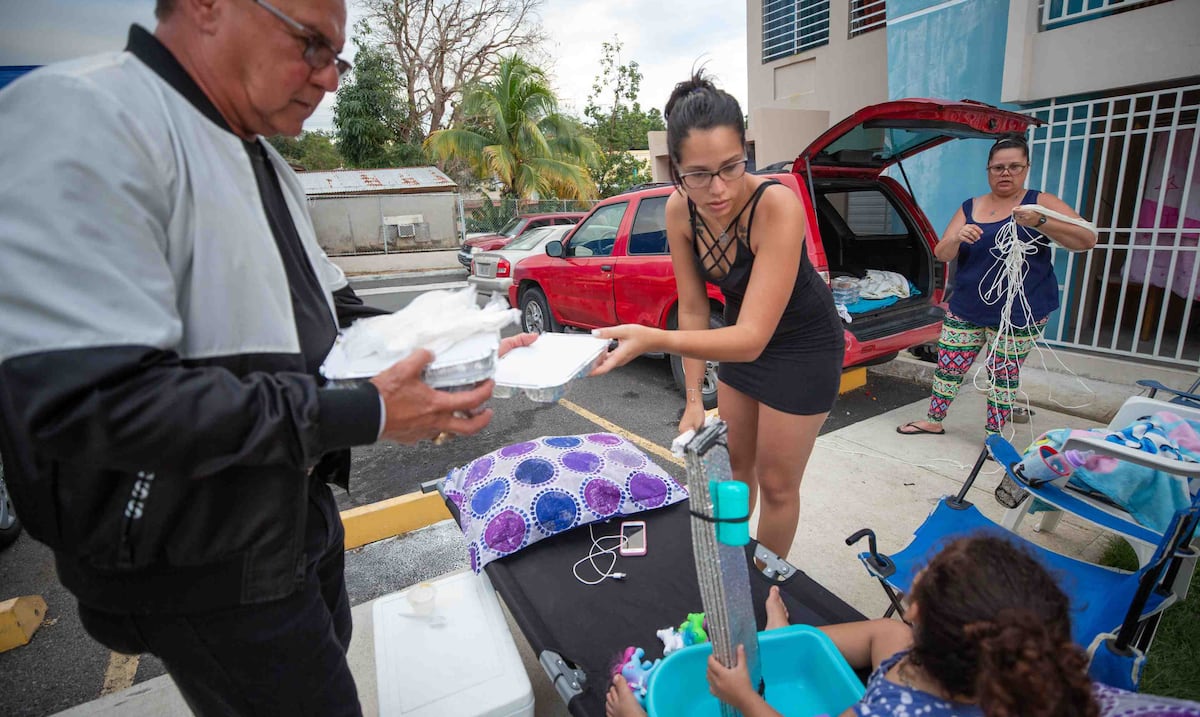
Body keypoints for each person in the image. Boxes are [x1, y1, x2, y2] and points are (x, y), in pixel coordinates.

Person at [0, 1, 532, 715]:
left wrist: (467, 345)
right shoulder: (88, 117)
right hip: (198, 545)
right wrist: (367, 410)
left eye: (335, 57)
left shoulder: (265, 164)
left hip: (292, 508)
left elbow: (333, 322)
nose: (331, 80)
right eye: (312, 44)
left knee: (328, 654)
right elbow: (96, 400)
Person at [591, 70, 845, 562]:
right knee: (733, 472)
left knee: (776, 485)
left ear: (745, 153)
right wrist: (692, 398)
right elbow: (691, 306)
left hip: (803, 349)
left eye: (732, 167)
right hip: (739, 343)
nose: (719, 188)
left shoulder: (777, 205)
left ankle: (766, 589)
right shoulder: (678, 210)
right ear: (676, 172)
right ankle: (730, 569)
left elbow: (750, 338)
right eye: (699, 175)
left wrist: (650, 338)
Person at [606, 535, 1101, 717]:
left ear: (916, 614)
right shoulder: (1016, 676)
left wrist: (745, 699)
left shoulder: (894, 709)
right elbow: (878, 636)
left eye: (918, 585)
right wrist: (780, 642)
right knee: (880, 638)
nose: (911, 588)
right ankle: (783, 634)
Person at [897, 135, 1096, 439]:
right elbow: (942, 253)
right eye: (998, 167)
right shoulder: (970, 206)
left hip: (1020, 310)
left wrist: (1040, 221)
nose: (1006, 173)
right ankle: (933, 420)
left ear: (1026, 168)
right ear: (988, 170)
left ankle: (994, 435)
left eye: (1014, 166)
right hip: (967, 306)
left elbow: (1086, 239)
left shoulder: (1040, 202)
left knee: (1002, 376)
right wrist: (957, 237)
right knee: (949, 365)